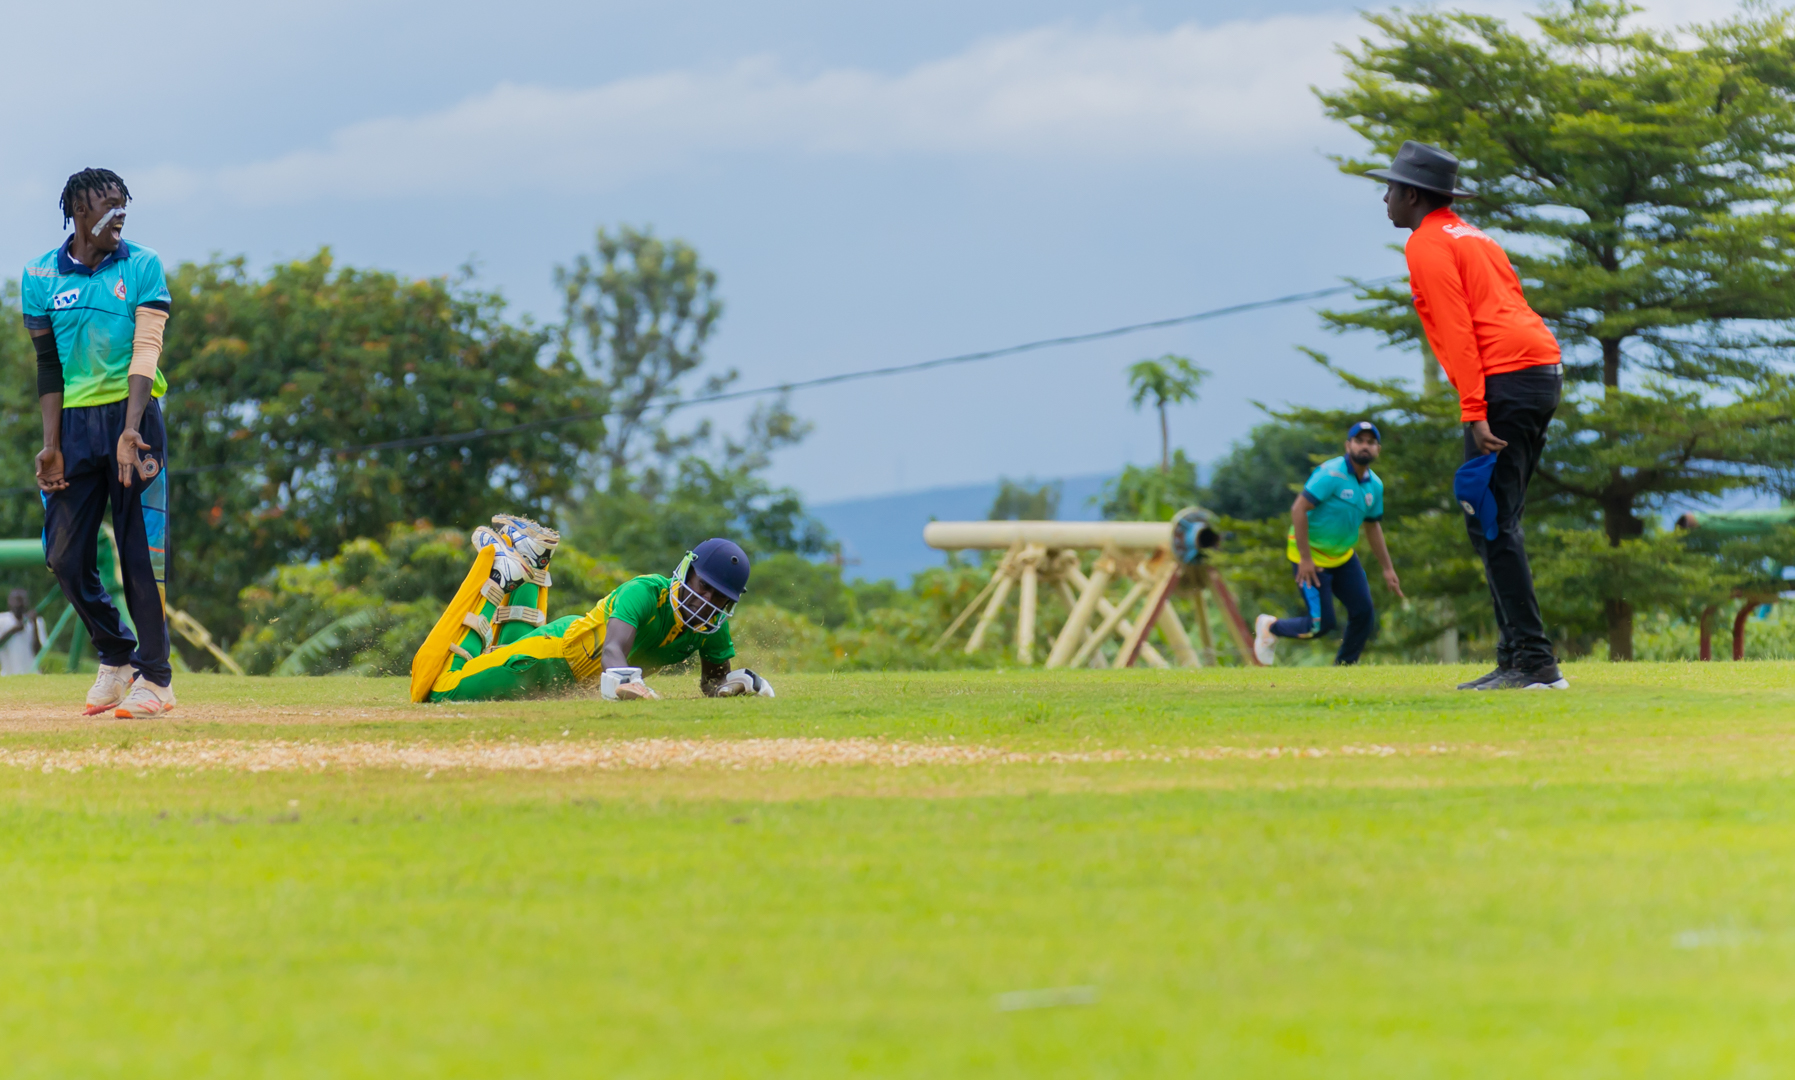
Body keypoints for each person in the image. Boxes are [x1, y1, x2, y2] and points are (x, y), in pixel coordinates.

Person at [1367, 140, 1568, 691]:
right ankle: (1517, 658)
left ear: (1412, 195)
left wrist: (1474, 410)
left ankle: (1534, 663)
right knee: (1494, 520)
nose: (1383, 198)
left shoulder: (1427, 244)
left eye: (1389, 189)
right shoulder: (1473, 235)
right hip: (1538, 370)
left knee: (1492, 521)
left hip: (1504, 380)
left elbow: (1458, 332)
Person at [23, 168, 175, 717]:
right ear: (80, 212)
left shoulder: (141, 264)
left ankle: (155, 679)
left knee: (140, 552)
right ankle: (116, 655)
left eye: (124, 205)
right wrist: (51, 443)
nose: (121, 215)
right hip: (73, 427)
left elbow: (146, 349)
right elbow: (47, 367)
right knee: (62, 555)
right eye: (110, 206)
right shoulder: (40, 274)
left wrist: (132, 429)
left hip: (134, 419)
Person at [410, 515, 777, 703]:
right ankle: (495, 578)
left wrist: (735, 685)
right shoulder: (646, 591)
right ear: (687, 572)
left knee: (499, 655)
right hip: (550, 659)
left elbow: (711, 683)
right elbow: (613, 649)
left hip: (566, 658)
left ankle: (528, 560)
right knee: (437, 692)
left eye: (720, 599)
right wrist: (628, 683)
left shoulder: (712, 626)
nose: (707, 603)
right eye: (704, 589)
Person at [1254, 422, 1403, 666]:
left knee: (1364, 613)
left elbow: (1372, 525)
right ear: (1348, 445)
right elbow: (1298, 509)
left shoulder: (1374, 485)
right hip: (1310, 558)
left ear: (1378, 449)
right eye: (1359, 440)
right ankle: (1271, 627)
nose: (1364, 446)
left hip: (1342, 557)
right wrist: (1305, 559)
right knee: (1320, 624)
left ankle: (1344, 667)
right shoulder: (1330, 474)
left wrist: (1388, 568)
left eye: (1370, 442)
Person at [0, 590, 45, 676]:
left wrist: (34, 624)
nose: (18, 604)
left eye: (21, 601)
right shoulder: (2, 620)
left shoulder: (38, 622)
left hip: (32, 674)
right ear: (9, 602)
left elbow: (38, 652)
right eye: (15, 600)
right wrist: (13, 630)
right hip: (9, 674)